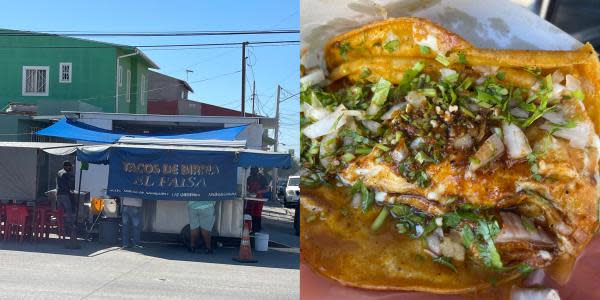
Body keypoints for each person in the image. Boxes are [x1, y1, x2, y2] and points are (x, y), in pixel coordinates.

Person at [56, 161, 78, 249]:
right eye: (70, 167)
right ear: (67, 166)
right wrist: (70, 190)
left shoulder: (59, 172)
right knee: (69, 210)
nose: (71, 168)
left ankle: (60, 225)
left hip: (58, 194)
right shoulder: (66, 174)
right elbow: (68, 185)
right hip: (65, 194)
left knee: (60, 211)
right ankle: (70, 227)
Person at [246, 167, 268, 232]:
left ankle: (257, 229)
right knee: (248, 213)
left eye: (253, 172)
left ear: (257, 171)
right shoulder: (249, 178)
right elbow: (246, 187)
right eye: (251, 172)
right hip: (250, 198)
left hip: (259, 199)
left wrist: (259, 191)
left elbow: (267, 189)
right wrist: (247, 191)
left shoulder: (262, 178)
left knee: (257, 214)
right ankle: (248, 228)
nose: (252, 174)